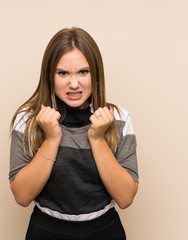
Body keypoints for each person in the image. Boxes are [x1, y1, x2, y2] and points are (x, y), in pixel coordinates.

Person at [9, 27, 139, 240]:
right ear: (49, 75)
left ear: (95, 74)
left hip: (105, 231)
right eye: (63, 73)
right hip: (46, 231)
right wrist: (51, 138)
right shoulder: (28, 119)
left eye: (83, 72)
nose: (74, 84)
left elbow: (125, 198)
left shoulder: (119, 118)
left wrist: (97, 139)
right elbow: (22, 196)